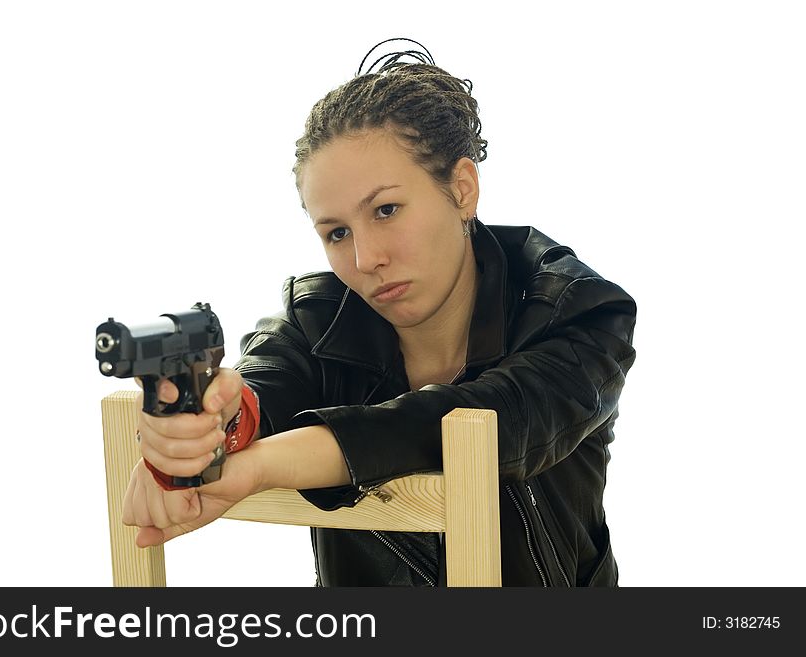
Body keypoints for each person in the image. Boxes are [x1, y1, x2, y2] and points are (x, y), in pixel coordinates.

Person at [122, 38, 637, 587]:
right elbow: (262, 388)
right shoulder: (318, 316)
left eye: (386, 210)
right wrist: (214, 425)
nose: (367, 260)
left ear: (462, 189)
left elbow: (488, 420)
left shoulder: (577, 309)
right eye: (337, 233)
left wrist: (261, 466)